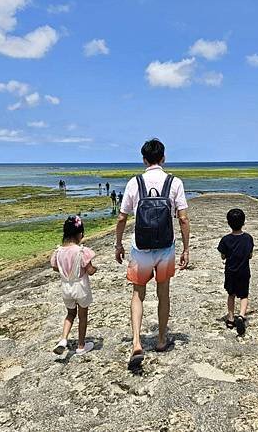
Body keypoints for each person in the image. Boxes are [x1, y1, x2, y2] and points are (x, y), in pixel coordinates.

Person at [115, 138, 190, 370]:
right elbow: (183, 218)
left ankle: (137, 342)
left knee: (138, 294)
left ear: (144, 160)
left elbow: (122, 217)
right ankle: (160, 340)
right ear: (164, 158)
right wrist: (186, 248)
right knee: (163, 293)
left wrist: (118, 244)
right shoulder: (174, 182)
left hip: (141, 247)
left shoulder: (134, 183)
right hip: (166, 247)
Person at [50, 215, 97, 356]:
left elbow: (55, 267)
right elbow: (89, 270)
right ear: (80, 234)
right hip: (80, 287)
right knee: (82, 316)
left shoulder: (58, 252)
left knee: (70, 314)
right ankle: (81, 345)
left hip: (66, 287)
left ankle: (63, 339)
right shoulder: (81, 251)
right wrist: (94, 269)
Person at [218, 208, 254, 336]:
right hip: (244, 271)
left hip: (230, 271)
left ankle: (231, 318)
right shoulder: (248, 238)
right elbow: (250, 255)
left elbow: (223, 256)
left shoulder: (226, 239)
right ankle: (242, 316)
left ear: (228, 223)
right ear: (243, 222)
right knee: (244, 295)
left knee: (231, 294)